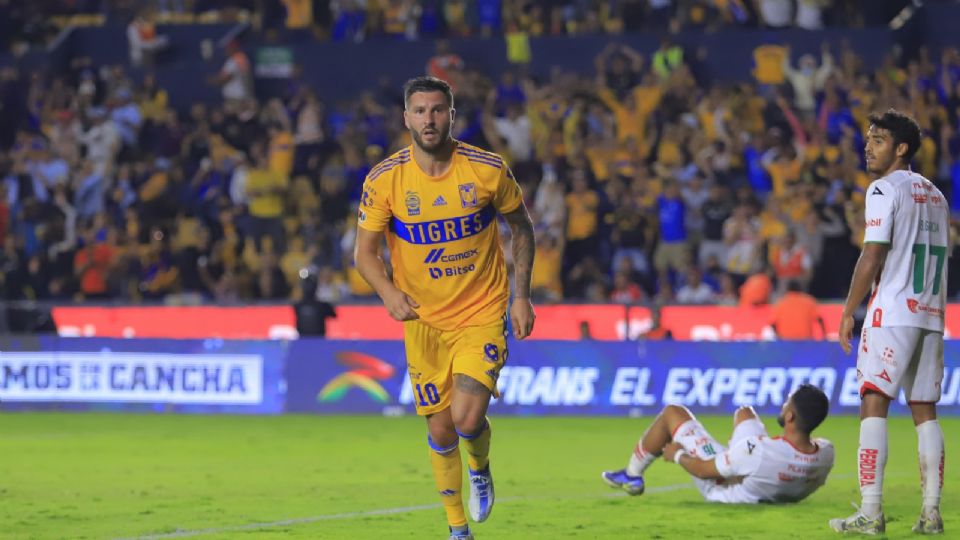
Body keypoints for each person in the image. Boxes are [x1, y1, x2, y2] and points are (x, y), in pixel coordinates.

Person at [353, 76, 536, 540]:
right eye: (420, 111)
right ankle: (458, 530)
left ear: (451, 116)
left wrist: (520, 295)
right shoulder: (385, 179)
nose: (428, 119)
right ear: (406, 118)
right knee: (440, 432)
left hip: (481, 311)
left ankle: (480, 467)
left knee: (467, 418)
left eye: (438, 110)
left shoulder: (487, 169)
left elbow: (523, 229)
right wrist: (389, 293)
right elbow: (364, 253)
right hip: (423, 322)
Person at [831, 109, 949, 535]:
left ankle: (871, 512)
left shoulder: (883, 190)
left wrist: (848, 309)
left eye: (878, 139)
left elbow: (873, 252)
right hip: (932, 315)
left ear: (901, 148)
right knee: (925, 411)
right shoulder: (936, 195)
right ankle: (931, 514)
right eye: (868, 138)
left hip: (893, 311)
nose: (868, 146)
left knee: (873, 400)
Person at [602, 384, 834, 504]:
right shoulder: (826, 452)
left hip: (722, 488)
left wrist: (678, 454)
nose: (783, 407)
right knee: (745, 413)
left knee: (672, 413)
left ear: (791, 416)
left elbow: (704, 472)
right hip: (767, 478)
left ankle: (632, 475)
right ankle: (733, 461)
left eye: (787, 404)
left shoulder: (757, 450)